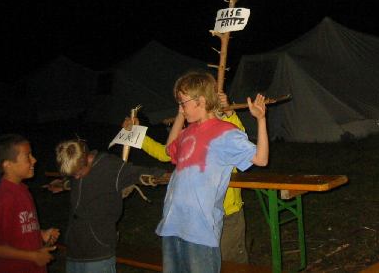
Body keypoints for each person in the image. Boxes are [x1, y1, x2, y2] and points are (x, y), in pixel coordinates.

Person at [156, 71, 269, 273]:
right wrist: (180, 115)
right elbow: (169, 150)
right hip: (172, 225)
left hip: (200, 230)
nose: (180, 108)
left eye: (183, 103)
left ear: (200, 100)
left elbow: (261, 159)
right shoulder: (187, 132)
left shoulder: (224, 132)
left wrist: (261, 120)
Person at [122, 91, 250, 264]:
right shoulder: (191, 132)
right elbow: (165, 153)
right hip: (198, 218)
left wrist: (229, 112)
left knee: (231, 262)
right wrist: (136, 133)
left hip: (228, 214)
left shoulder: (226, 131)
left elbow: (240, 136)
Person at [53, 138, 167, 273]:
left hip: (98, 251)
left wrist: (172, 176)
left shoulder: (110, 166)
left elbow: (141, 173)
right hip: (74, 249)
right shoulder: (77, 167)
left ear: (88, 159)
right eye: (73, 175)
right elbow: (76, 183)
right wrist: (63, 184)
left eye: (78, 173)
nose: (76, 177)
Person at [0, 133, 60, 273]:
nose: (34, 160)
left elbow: (20, 230)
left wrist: (41, 235)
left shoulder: (23, 190)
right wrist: (33, 256)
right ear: (8, 164)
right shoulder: (3, 198)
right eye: (28, 156)